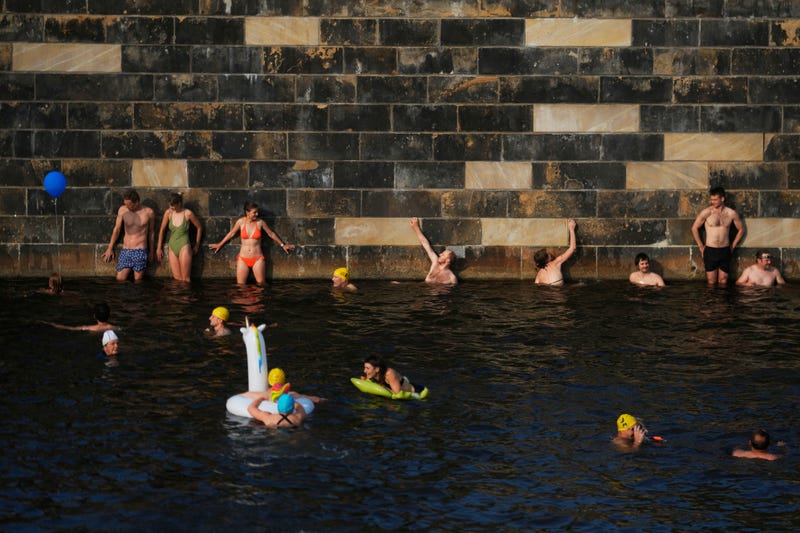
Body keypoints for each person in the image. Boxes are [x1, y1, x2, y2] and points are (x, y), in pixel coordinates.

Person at [209, 202, 295, 284]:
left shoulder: (260, 222)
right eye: (254, 212)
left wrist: (282, 245)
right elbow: (231, 234)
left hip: (257, 259)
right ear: (247, 212)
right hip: (243, 258)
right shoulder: (240, 222)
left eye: (257, 212)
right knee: (240, 286)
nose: (257, 214)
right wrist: (220, 244)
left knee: (261, 284)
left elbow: (271, 234)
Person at [691, 186, 744, 286]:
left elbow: (741, 229)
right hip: (711, 250)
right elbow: (694, 228)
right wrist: (701, 246)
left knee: (723, 281)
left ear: (722, 199)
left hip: (725, 249)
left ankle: (723, 302)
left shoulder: (731, 213)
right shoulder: (707, 212)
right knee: (711, 281)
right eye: (711, 199)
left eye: (715, 199)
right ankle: (712, 302)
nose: (712, 202)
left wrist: (733, 245)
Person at [102, 189, 156, 282]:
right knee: (120, 279)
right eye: (125, 204)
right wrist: (110, 248)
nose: (126, 206)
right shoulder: (123, 210)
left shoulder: (148, 212)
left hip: (140, 250)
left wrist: (151, 251)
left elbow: (151, 232)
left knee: (138, 281)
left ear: (137, 202)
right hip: (126, 250)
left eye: (129, 205)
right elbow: (117, 229)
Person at [156, 192, 203, 282]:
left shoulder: (188, 213)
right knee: (177, 278)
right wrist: (159, 247)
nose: (171, 208)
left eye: (173, 206)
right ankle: (178, 296)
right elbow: (162, 230)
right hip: (172, 246)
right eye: (170, 206)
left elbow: (199, 227)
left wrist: (197, 245)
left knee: (185, 279)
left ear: (179, 203)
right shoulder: (168, 213)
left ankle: (187, 296)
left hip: (184, 245)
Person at [409, 217, 457, 285]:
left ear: (447, 260)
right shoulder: (435, 261)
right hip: (425, 290)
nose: (440, 254)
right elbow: (425, 244)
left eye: (443, 255)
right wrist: (416, 227)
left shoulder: (452, 278)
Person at [534, 218, 577, 286]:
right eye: (549, 254)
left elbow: (536, 285)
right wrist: (571, 229)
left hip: (546, 292)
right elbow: (572, 248)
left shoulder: (538, 276)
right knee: (580, 284)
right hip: (559, 290)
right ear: (547, 259)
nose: (551, 253)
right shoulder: (556, 263)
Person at [362, 355, 427, 397]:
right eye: (364, 368)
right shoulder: (372, 374)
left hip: (417, 391)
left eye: (367, 368)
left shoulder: (389, 374)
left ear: (377, 369)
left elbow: (398, 394)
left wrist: (381, 386)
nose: (364, 371)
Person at [43, 302, 118, 333]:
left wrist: (52, 324)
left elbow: (69, 328)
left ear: (94, 316)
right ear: (109, 315)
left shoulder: (89, 328)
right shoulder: (114, 328)